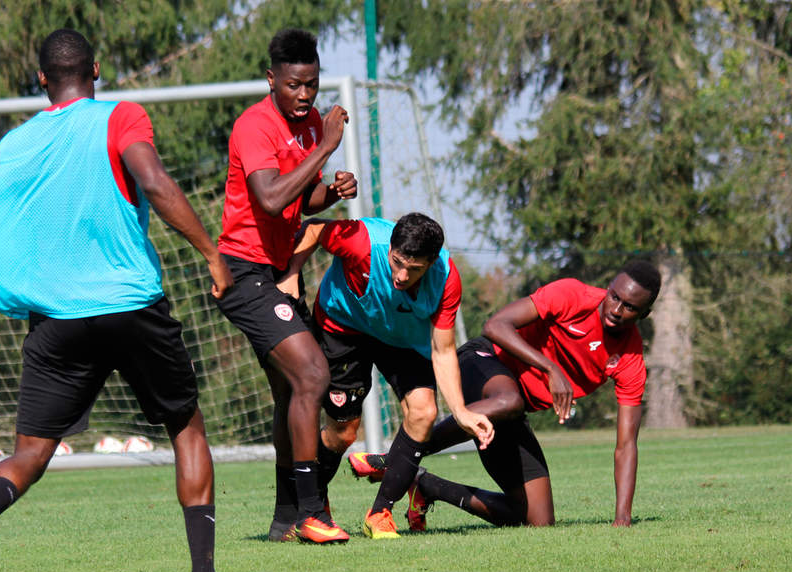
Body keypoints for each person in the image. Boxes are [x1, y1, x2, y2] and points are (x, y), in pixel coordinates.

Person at [0, 28, 236, 572]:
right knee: (186, 427)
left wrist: (17, 293)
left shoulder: (12, 145)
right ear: (97, 70)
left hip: (57, 320)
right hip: (131, 306)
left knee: (31, 452)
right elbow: (153, 182)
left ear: (41, 80)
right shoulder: (120, 117)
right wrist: (211, 252)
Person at [349, 260, 661, 529]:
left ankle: (427, 486)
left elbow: (626, 445)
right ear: (608, 288)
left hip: (508, 411)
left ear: (644, 314)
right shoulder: (573, 295)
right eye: (614, 297)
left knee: (538, 520)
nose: (617, 309)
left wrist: (623, 517)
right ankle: (392, 459)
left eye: (630, 307)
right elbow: (495, 325)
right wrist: (552, 369)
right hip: (482, 361)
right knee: (509, 400)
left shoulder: (630, 362)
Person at [216, 28, 359, 545]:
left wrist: (331, 191)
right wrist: (324, 149)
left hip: (273, 273)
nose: (305, 95)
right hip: (241, 271)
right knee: (313, 375)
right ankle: (310, 511)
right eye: (295, 85)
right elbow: (272, 199)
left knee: (290, 391)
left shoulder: (311, 123)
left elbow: (302, 200)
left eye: (313, 85)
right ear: (272, 78)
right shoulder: (254, 125)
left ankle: (284, 520)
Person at [286, 213, 494, 539]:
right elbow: (313, 228)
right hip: (345, 325)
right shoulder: (362, 243)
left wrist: (462, 412)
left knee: (425, 412)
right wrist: (291, 273)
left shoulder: (446, 279)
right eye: (397, 262)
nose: (401, 275)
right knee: (343, 433)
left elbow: (442, 350)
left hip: (400, 338)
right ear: (391, 248)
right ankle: (314, 505)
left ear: (431, 262)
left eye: (414, 269)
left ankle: (380, 512)